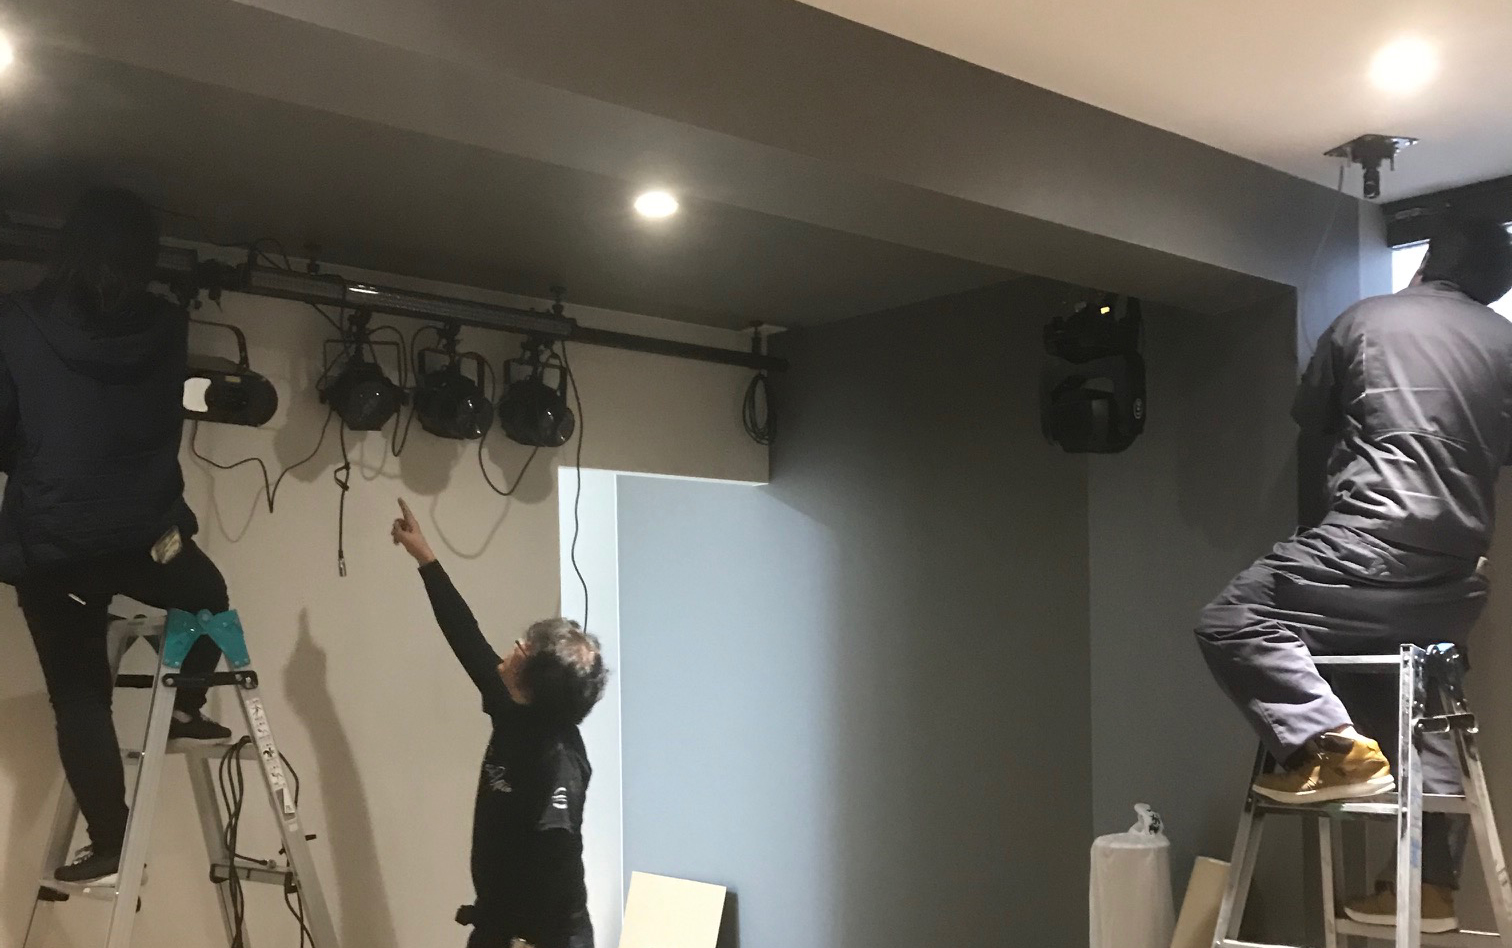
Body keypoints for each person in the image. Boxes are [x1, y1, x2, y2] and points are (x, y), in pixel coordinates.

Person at [1196, 215, 1512, 933]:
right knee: (1422, 697)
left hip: (1366, 550)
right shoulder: (1506, 343)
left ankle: (1332, 750)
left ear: (1426, 262)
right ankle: (1428, 887)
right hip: (1455, 581)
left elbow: (1313, 415)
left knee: (1231, 618)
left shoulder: (1366, 319)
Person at [0, 189, 236, 885]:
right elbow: (164, 416)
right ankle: (187, 703)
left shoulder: (16, 319)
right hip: (145, 534)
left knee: (80, 699)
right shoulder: (167, 324)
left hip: (55, 547)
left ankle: (110, 846)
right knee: (209, 596)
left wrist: (43, 462)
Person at [391, 498, 606, 948]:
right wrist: (425, 557)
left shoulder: (560, 761)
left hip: (544, 938)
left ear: (536, 680)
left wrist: (527, 940)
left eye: (522, 648)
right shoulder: (513, 707)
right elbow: (466, 637)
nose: (513, 646)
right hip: (498, 924)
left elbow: (557, 858)